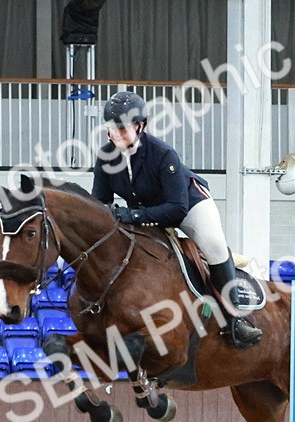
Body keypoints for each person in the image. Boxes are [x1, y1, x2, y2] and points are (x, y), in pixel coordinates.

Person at [91, 90, 262, 349]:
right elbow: (100, 203)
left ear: (140, 126)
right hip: (146, 212)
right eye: (111, 129)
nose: (115, 135)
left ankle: (237, 318)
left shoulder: (162, 154)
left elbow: (176, 209)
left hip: (188, 206)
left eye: (122, 129)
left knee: (214, 245)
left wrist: (131, 215)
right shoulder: (106, 156)